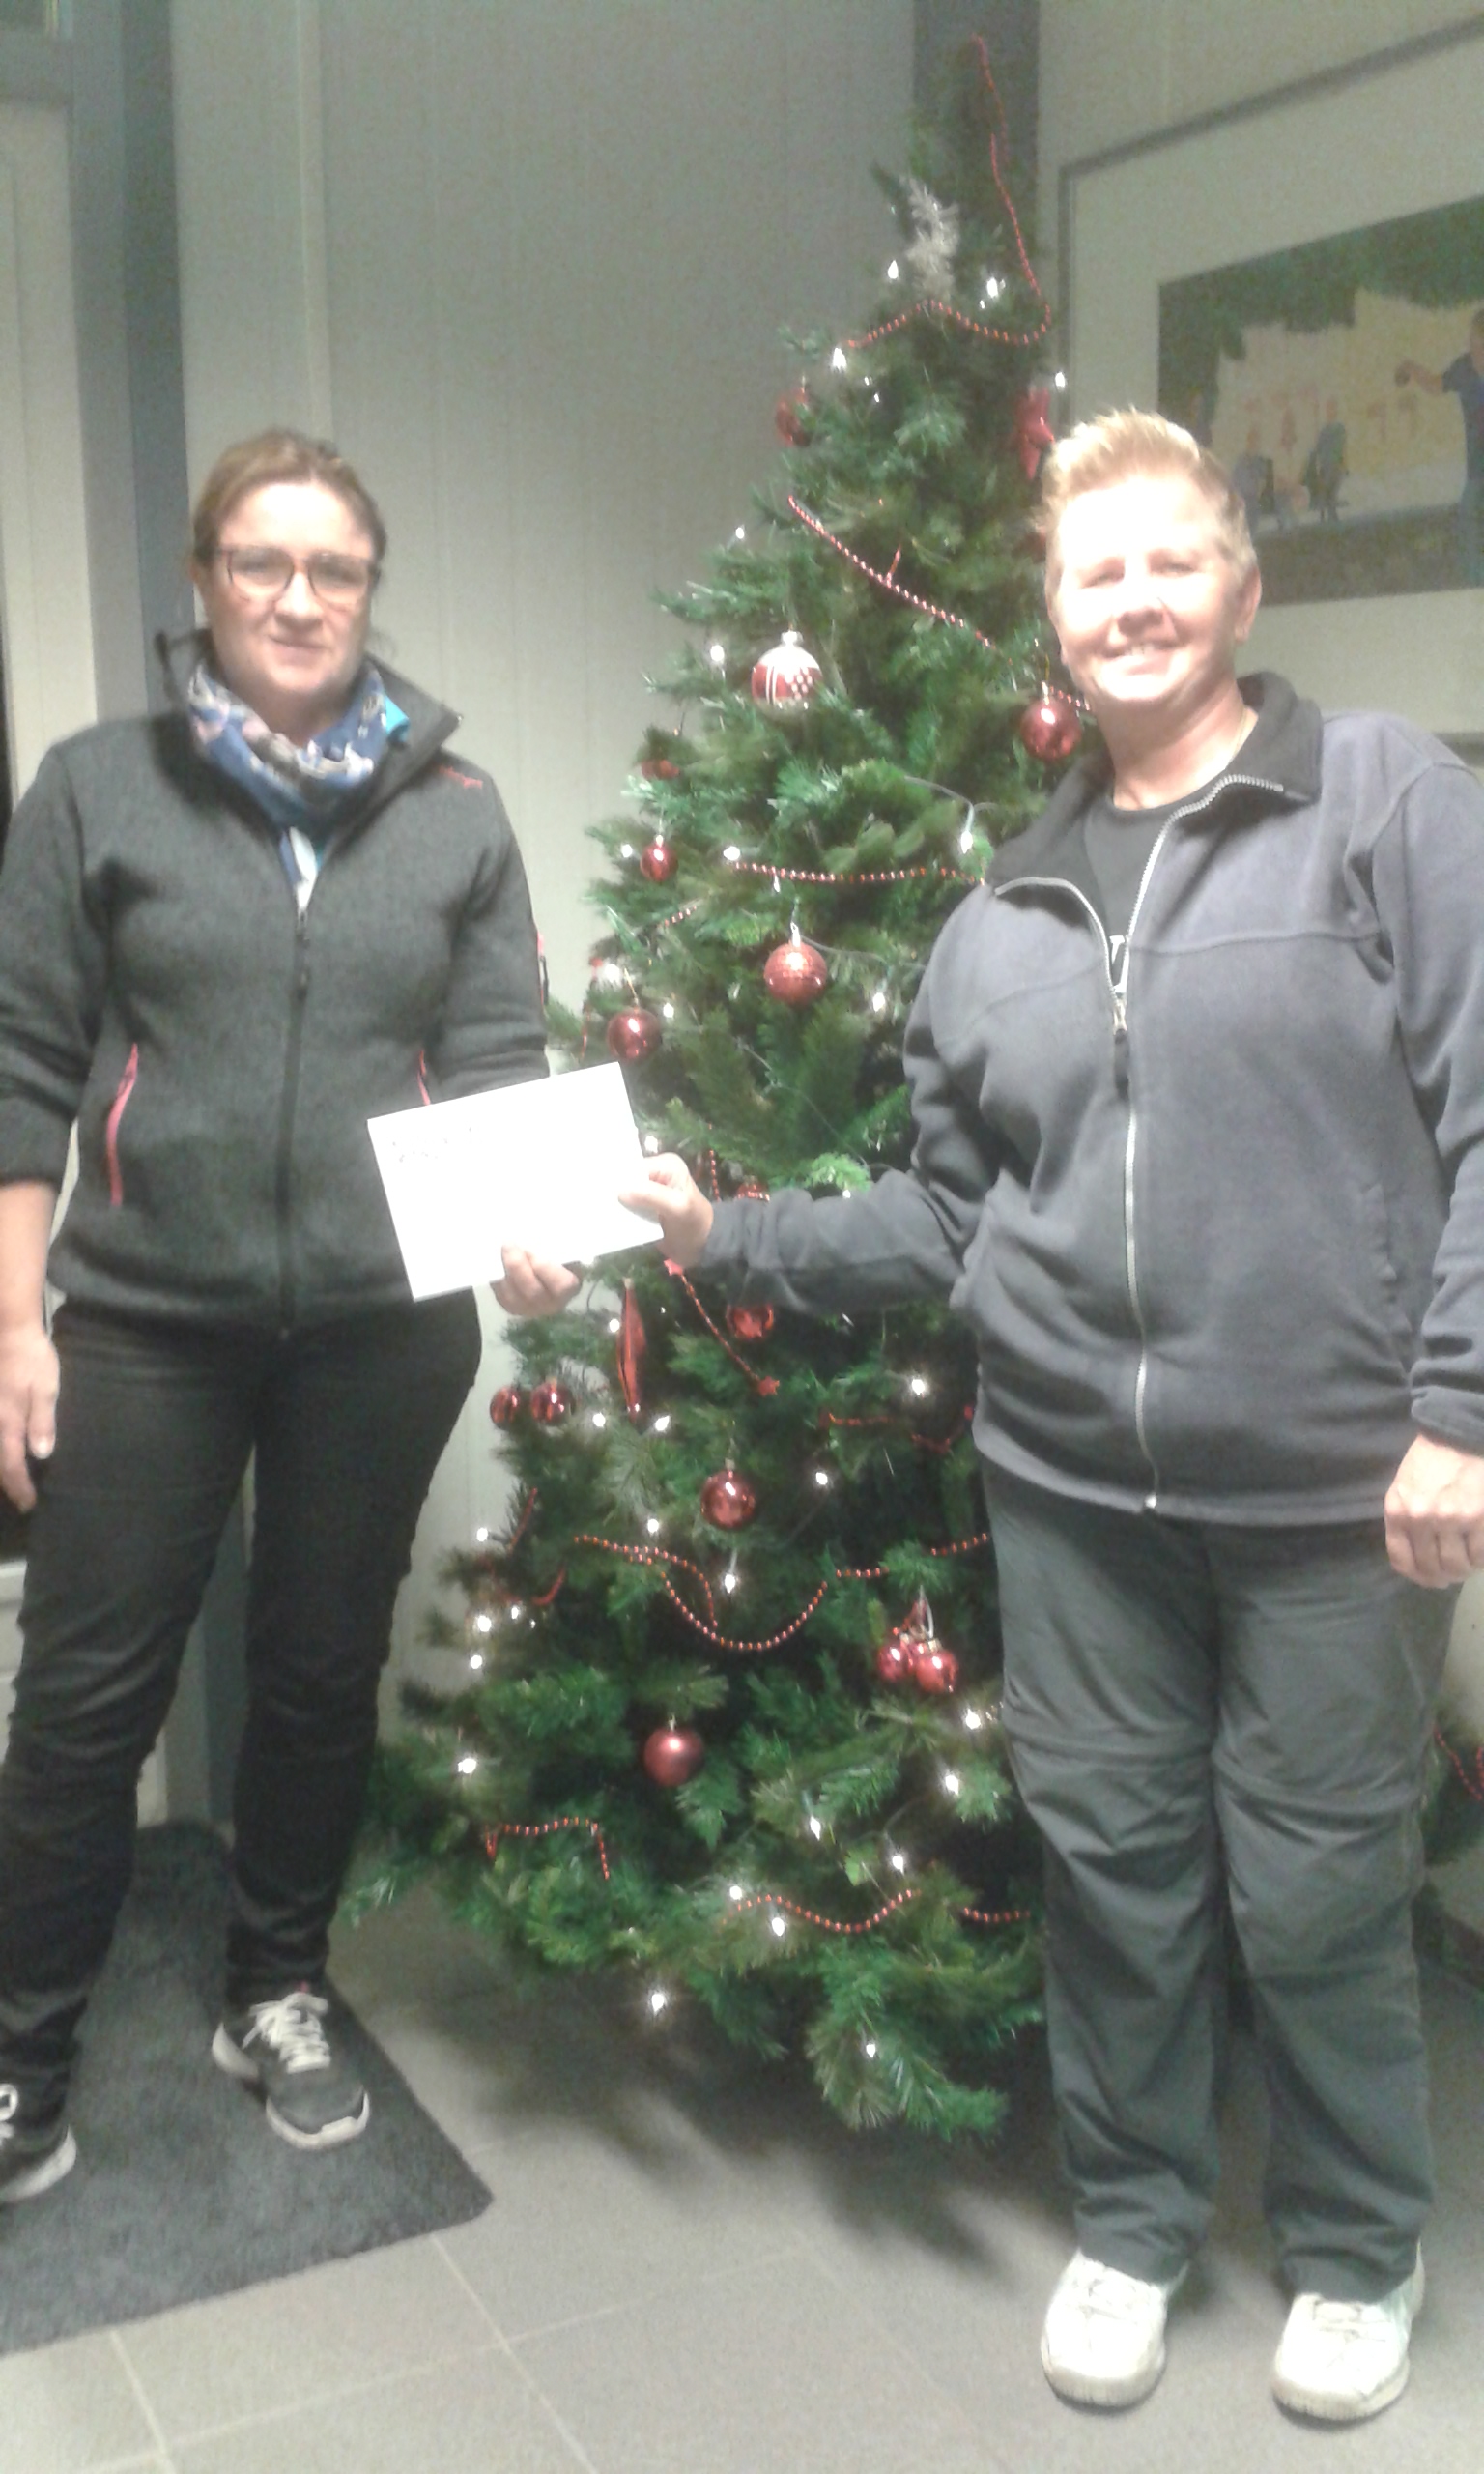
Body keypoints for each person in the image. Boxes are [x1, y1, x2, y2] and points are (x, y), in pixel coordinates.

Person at [506, 408, 1484, 2425]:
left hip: (1335, 1495)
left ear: (1241, 586)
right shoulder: (999, 916)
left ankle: (1353, 2245)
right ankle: (1131, 2220)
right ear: (1051, 617)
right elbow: (951, 1218)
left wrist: (1461, 1405)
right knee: (1116, 1876)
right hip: (1070, 1489)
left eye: (1168, 561)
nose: (1131, 601)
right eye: (1091, 573)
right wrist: (719, 1226)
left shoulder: (1384, 800)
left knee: (1317, 1890)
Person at [0, 429, 546, 2192]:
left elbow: (495, 1061)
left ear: (369, 589)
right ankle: (21, 2055)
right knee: (87, 1695)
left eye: (334, 568)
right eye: (262, 562)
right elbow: (20, 1068)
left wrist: (526, 1233)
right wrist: (12, 1327)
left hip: (382, 1328)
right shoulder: (99, 787)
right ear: (206, 581)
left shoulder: (456, 810)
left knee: (317, 1673)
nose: (299, 597)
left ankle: (276, 1990)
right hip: (146, 1318)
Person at [1397, 309, 1484, 584]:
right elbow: (1436, 385)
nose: (1472, 347)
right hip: (1478, 468)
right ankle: (1475, 584)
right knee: (1469, 521)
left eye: (1477, 341)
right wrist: (1412, 368)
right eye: (1472, 340)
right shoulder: (1464, 368)